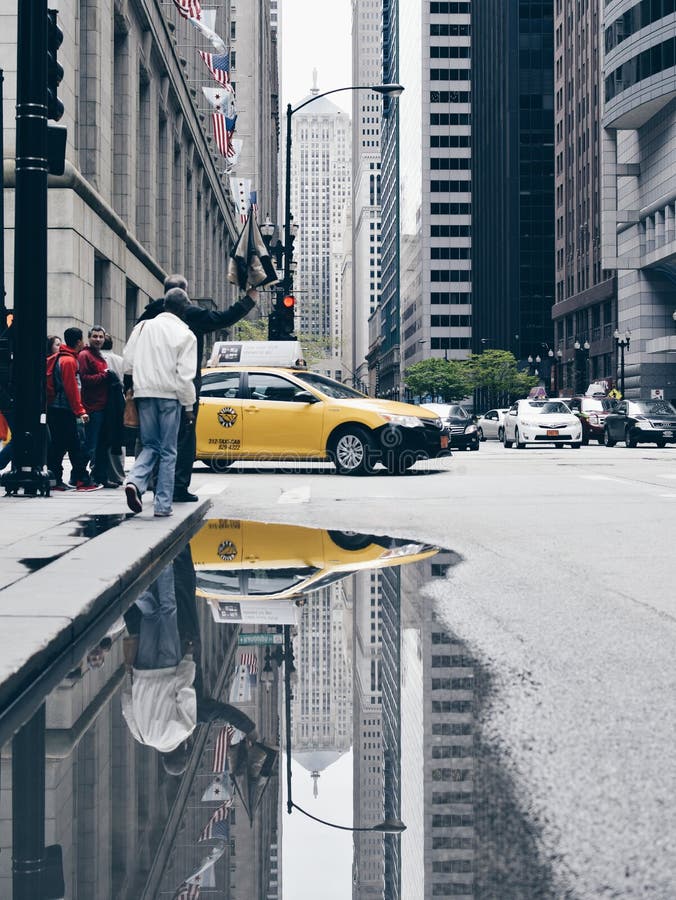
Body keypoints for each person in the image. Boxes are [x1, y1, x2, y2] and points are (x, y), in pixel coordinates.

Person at [137, 274, 257, 502]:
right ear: (184, 294)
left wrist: (131, 387)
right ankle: (177, 488)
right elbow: (223, 318)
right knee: (183, 438)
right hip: (182, 384)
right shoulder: (189, 315)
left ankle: (148, 482)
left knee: (152, 440)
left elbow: (132, 354)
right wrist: (249, 300)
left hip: (150, 385)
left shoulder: (147, 317)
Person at [123, 288, 197, 516]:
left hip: (144, 394)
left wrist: (135, 386)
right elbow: (185, 376)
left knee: (150, 445)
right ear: (184, 308)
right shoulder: (186, 335)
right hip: (170, 396)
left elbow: (128, 362)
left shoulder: (143, 327)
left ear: (165, 305)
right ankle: (163, 506)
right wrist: (188, 406)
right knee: (168, 451)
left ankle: (135, 481)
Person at [46, 327, 102, 491]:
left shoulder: (61, 358)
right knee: (75, 444)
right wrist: (80, 411)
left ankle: (56, 479)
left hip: (56, 408)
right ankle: (81, 480)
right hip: (65, 409)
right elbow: (71, 389)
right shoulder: (69, 361)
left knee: (60, 445)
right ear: (79, 342)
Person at [78, 325, 112, 487]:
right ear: (89, 338)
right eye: (95, 337)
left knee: (101, 444)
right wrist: (104, 375)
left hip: (103, 405)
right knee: (90, 444)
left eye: (101, 337)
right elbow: (85, 379)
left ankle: (99, 476)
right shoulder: (85, 355)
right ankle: (78, 474)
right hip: (92, 406)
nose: (98, 339)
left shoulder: (98, 355)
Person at [101, 333, 126, 487]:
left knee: (101, 439)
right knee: (117, 437)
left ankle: (100, 472)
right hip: (118, 403)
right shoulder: (120, 360)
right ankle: (118, 474)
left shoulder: (97, 358)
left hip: (101, 402)